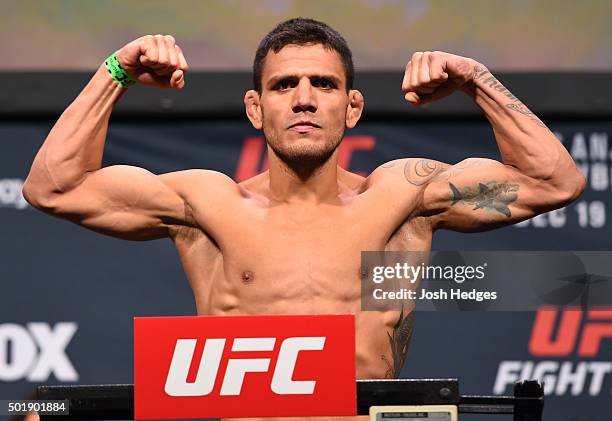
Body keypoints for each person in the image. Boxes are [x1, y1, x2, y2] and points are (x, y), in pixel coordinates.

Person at [23, 18, 585, 385]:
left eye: (324, 84)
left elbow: (551, 182)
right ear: (254, 107)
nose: (305, 100)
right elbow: (54, 186)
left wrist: (475, 79)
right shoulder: (208, 205)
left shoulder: (400, 198)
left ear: (353, 107)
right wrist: (115, 70)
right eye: (284, 85)